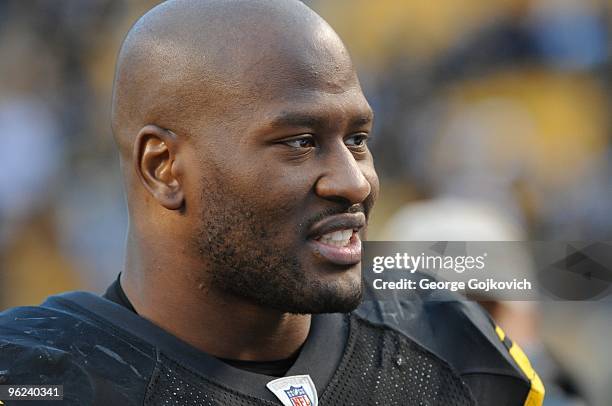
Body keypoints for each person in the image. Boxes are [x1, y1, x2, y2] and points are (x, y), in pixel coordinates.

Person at [0, 1, 543, 405]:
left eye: (357, 138)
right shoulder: (33, 375)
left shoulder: (449, 346)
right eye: (299, 142)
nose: (354, 182)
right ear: (162, 167)